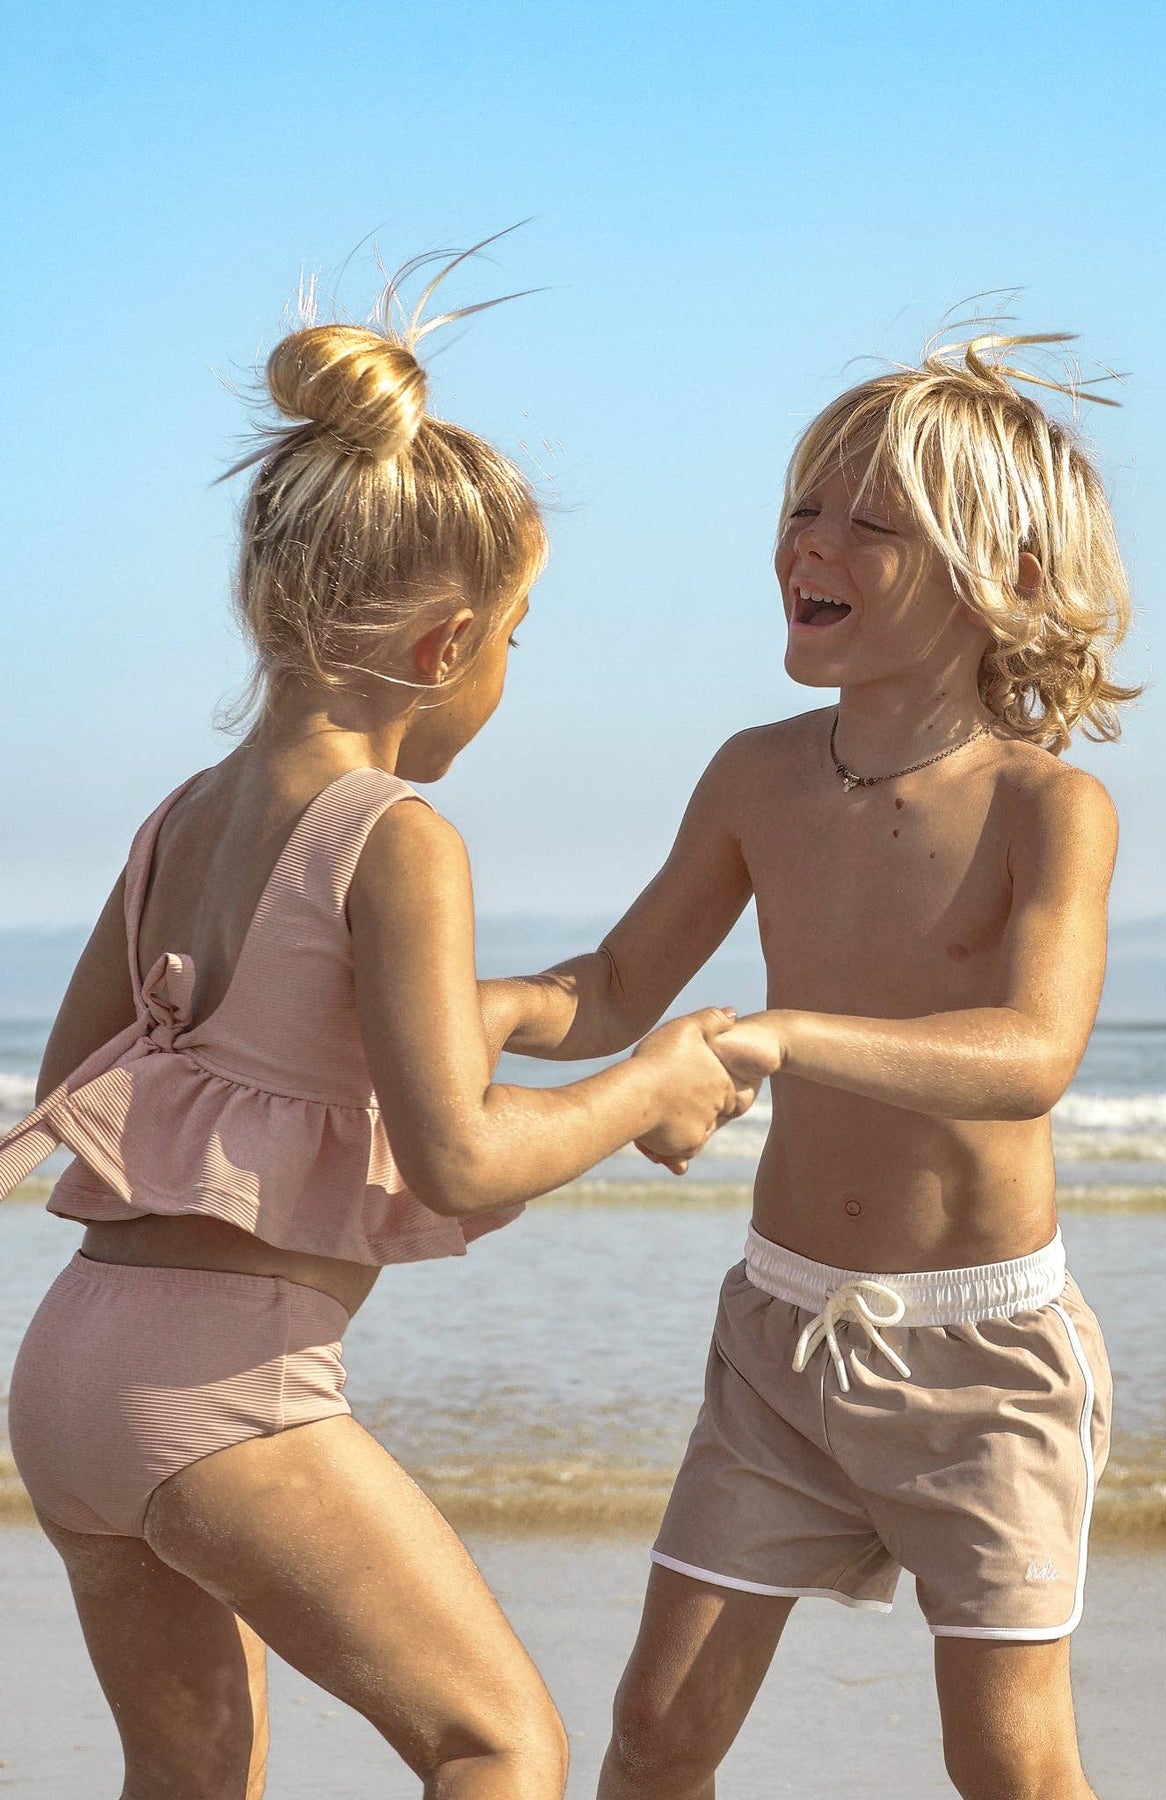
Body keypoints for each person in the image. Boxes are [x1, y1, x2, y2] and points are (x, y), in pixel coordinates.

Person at [0, 254, 755, 1800]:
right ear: (442, 648)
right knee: (498, 1745)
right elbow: (462, 1160)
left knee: (192, 1772)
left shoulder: (177, 822)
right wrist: (650, 1079)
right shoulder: (398, 836)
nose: (505, 680)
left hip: (68, 1373)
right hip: (226, 1393)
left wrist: (494, 1010)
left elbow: (107, 1074)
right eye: (514, 640)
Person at [480, 330, 1136, 1799]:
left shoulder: (1049, 810)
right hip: (783, 1342)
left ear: (1007, 580)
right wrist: (462, 1010)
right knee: (655, 1737)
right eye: (803, 510)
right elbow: (612, 989)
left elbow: (1030, 1055)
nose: (811, 546)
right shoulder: (756, 774)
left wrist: (778, 1037)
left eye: (873, 525)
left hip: (986, 1364)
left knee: (1009, 1766)